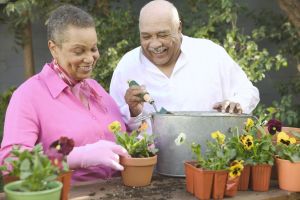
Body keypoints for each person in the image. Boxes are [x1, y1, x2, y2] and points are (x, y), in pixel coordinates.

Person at [0, 5, 129, 182]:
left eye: (93, 49)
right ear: (54, 48)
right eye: (79, 51)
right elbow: (11, 164)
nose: (90, 58)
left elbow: (126, 136)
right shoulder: (28, 96)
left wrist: (137, 119)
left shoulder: (95, 89)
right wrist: (76, 157)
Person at [110, 0, 260, 131]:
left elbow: (248, 91)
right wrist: (132, 111)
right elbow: (114, 123)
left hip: (209, 161)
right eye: (146, 36)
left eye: (163, 35)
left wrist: (237, 104)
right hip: (150, 162)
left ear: (179, 28)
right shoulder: (127, 66)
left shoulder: (210, 53)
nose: (155, 44)